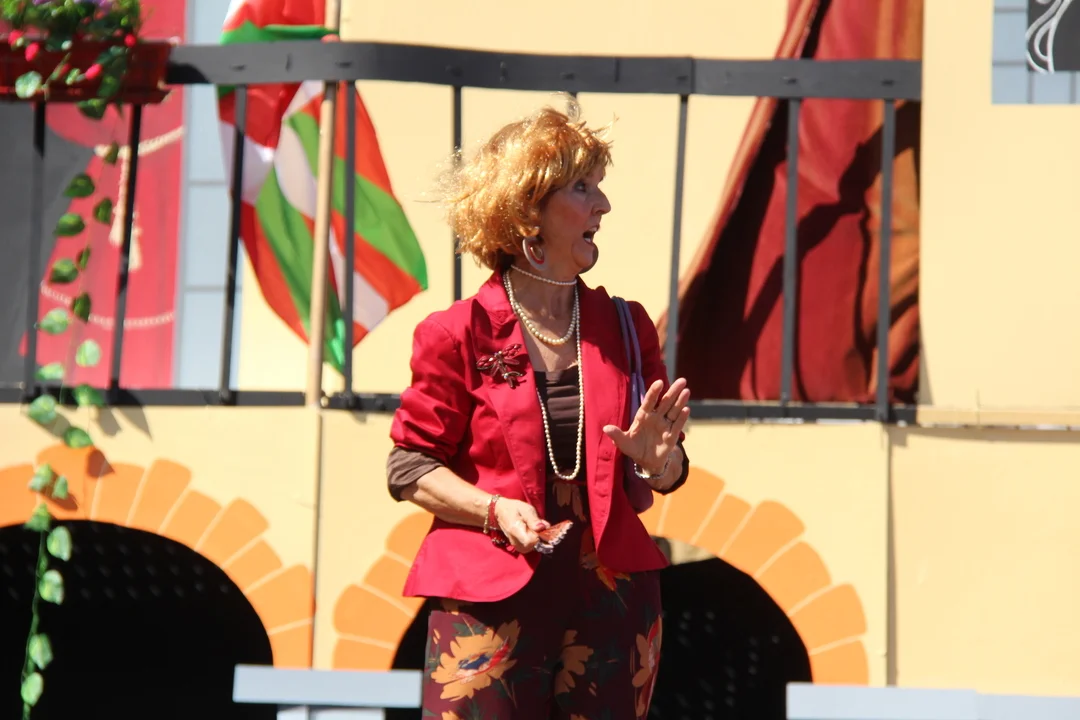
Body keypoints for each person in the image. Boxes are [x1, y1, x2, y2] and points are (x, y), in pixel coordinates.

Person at [386, 99, 693, 719]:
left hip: (611, 592)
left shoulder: (626, 326)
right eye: (583, 188)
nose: (603, 206)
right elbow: (409, 468)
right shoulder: (456, 333)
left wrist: (659, 464)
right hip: (488, 592)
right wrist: (493, 508)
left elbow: (668, 470)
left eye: (599, 186)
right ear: (527, 207)